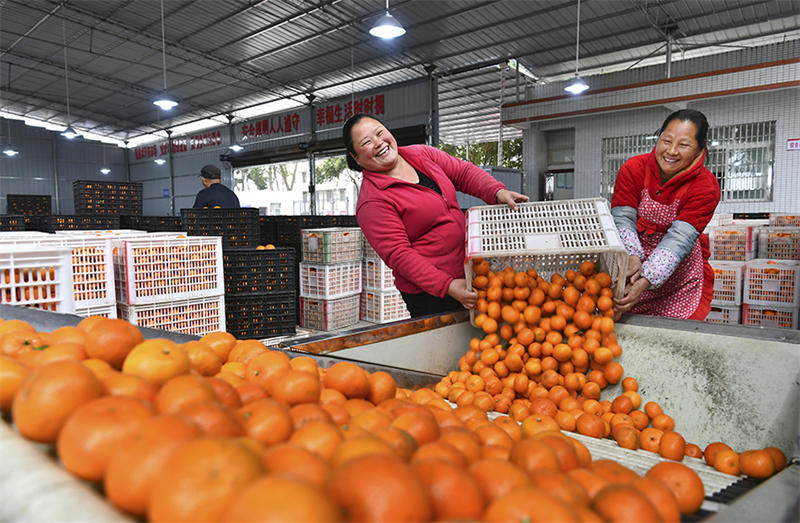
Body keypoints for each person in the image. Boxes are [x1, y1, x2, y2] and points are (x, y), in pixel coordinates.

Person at [345, 114, 528, 318]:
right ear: (356, 157)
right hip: (430, 293)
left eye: (379, 133)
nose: (379, 142)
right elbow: (400, 255)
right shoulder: (373, 202)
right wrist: (447, 285)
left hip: (468, 271)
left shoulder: (421, 154)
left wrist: (496, 192)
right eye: (367, 142)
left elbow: (463, 172)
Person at [611, 109, 720, 320]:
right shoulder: (633, 169)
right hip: (633, 261)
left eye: (684, 145)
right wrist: (632, 256)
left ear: (700, 148)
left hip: (676, 276)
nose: (671, 151)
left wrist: (646, 279)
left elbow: (679, 239)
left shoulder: (705, 187)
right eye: (666, 141)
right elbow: (623, 217)